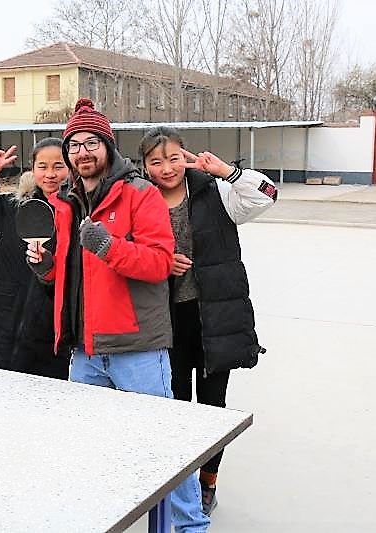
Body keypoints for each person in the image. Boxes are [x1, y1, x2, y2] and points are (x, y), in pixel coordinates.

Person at [26, 98, 210, 532]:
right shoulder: (65, 204)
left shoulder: (140, 194)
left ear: (107, 146)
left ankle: (188, 526)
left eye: (92, 142)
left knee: (162, 444)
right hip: (85, 351)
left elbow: (160, 263)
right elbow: (70, 276)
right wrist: (44, 265)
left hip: (137, 348)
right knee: (87, 447)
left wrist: (107, 245)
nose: (82, 152)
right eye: (74, 145)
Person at [138, 126, 276, 515]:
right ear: (144, 166)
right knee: (177, 404)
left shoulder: (215, 191)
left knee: (213, 404)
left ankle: (207, 482)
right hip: (168, 319)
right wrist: (162, 266)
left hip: (215, 315)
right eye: (156, 161)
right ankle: (180, 481)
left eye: (174, 157)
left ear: (187, 155)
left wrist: (228, 172)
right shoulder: (142, 199)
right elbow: (132, 252)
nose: (167, 168)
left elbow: (267, 195)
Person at [0, 138, 70, 379]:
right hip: (2, 323)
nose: (50, 174)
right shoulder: (13, 207)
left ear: (70, 168)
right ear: (33, 168)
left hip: (48, 330)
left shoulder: (78, 211)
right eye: (43, 166)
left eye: (58, 166)